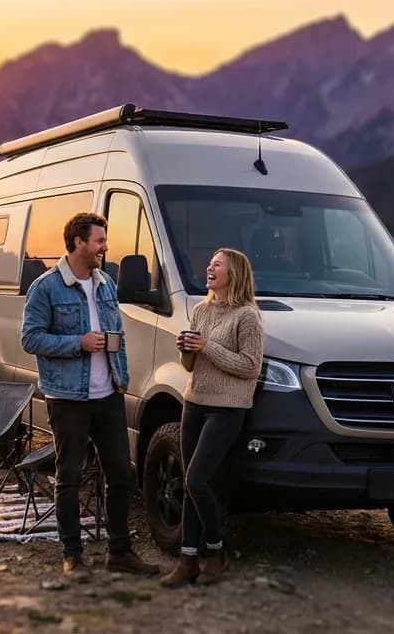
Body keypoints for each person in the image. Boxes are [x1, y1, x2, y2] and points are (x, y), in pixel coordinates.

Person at [21, 212, 161, 580]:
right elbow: (30, 338)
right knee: (68, 476)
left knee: (121, 475)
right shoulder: (46, 287)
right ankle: (73, 556)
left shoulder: (105, 284)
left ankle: (120, 553)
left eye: (104, 240)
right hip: (68, 397)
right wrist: (77, 343)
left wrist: (122, 378)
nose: (105, 247)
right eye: (99, 240)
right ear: (78, 242)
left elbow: (118, 336)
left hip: (108, 395)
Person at [160, 247, 265, 588]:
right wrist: (187, 350)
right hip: (194, 402)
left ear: (233, 273)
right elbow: (190, 366)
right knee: (190, 483)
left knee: (196, 481)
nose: (209, 267)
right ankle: (188, 561)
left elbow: (250, 366)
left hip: (228, 408)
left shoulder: (247, 316)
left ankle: (217, 552)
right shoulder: (201, 310)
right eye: (209, 263)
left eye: (216, 264)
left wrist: (207, 346)